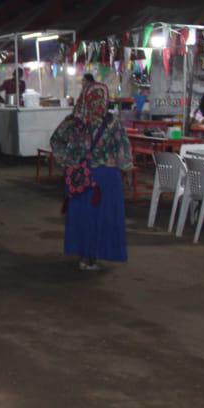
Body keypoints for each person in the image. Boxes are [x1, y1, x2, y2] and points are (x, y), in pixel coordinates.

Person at [48, 82, 132, 271]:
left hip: (80, 177)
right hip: (106, 178)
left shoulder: (74, 121)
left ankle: (83, 257)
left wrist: (68, 160)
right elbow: (123, 150)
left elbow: (55, 141)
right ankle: (93, 258)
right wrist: (126, 168)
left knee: (82, 217)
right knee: (102, 218)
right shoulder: (112, 122)